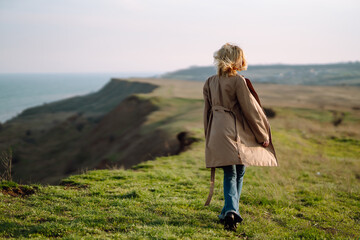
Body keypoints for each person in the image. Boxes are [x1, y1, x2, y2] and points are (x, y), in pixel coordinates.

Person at [203, 43, 278, 231]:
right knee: (237, 171)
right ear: (237, 59)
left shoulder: (210, 81)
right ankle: (231, 212)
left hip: (216, 130)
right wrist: (262, 135)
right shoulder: (238, 81)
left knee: (232, 171)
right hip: (234, 131)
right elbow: (251, 110)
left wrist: (209, 136)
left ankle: (227, 211)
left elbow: (207, 112)